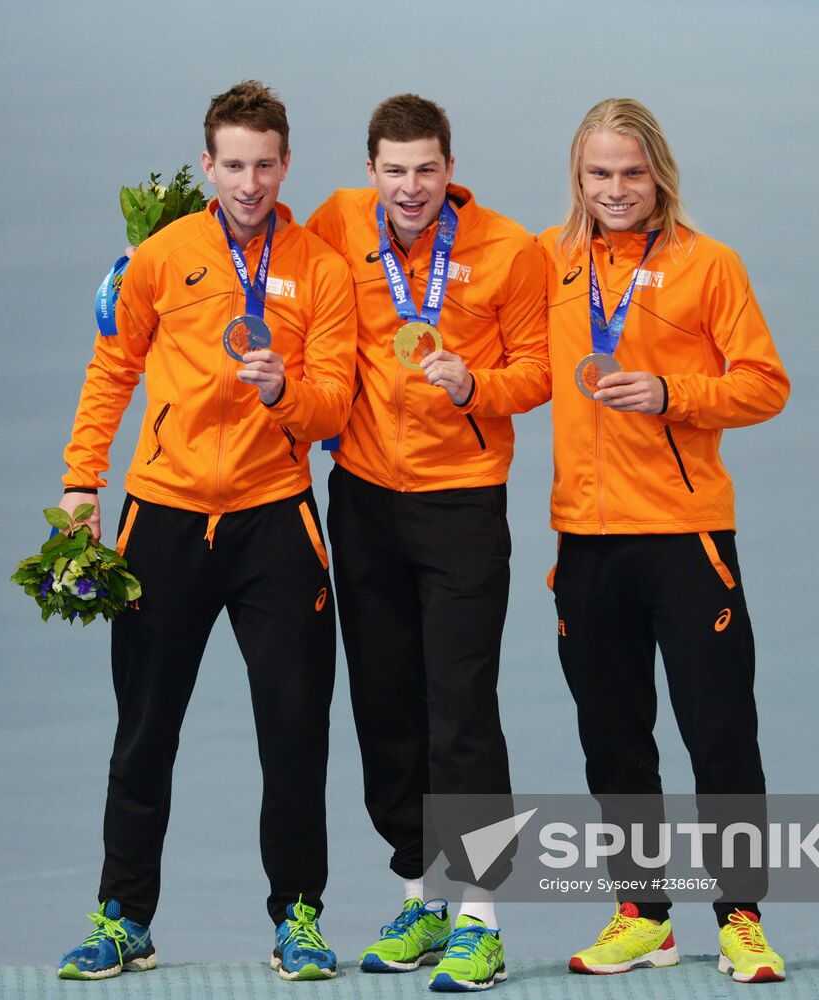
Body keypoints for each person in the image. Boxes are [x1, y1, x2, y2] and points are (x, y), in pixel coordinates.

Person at [53, 80, 357, 983]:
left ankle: (298, 915)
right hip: (167, 516)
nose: (251, 182)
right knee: (145, 726)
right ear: (206, 166)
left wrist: (282, 394)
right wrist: (81, 483)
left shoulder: (321, 267)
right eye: (234, 165)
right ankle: (122, 917)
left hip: (275, 517)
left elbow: (335, 400)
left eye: (266, 165)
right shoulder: (163, 253)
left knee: (295, 727)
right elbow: (112, 368)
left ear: (287, 164)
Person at [539, 98, 791, 984]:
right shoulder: (552, 261)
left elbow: (764, 383)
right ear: (579, 176)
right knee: (613, 736)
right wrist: (459, 385)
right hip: (587, 538)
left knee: (719, 731)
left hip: (686, 538)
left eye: (632, 173)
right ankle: (643, 913)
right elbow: (528, 370)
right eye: (599, 173)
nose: (616, 190)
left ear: (660, 176)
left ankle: (743, 918)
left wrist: (672, 392)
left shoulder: (707, 264)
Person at [307, 94, 549, 992]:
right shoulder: (336, 223)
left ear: (452, 169)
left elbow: (537, 370)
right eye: (395, 170)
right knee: (385, 706)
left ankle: (480, 916)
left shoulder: (508, 248)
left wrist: (472, 384)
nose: (411, 188)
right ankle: (420, 894)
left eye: (428, 170)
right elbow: (245, 239)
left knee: (462, 710)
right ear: (370, 169)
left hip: (462, 507)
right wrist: (151, 260)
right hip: (364, 499)